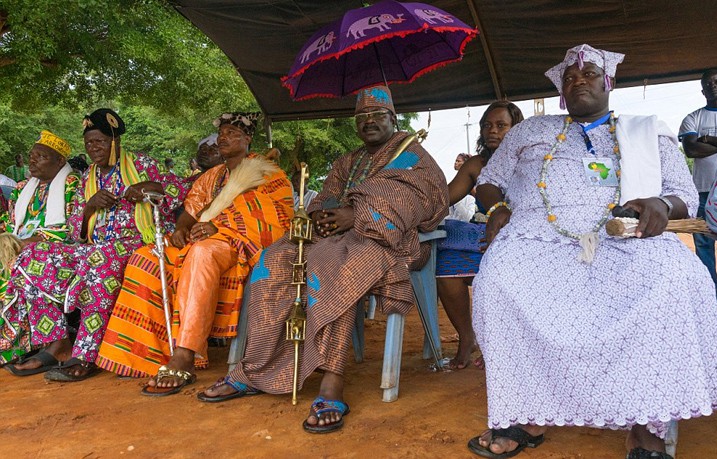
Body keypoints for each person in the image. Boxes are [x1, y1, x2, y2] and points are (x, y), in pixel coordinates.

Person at [468, 44, 717, 459]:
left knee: (676, 278)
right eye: (569, 77)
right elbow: (490, 180)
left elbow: (681, 195)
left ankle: (646, 426)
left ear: (609, 82)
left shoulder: (647, 129)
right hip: (537, 235)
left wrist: (661, 206)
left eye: (589, 73)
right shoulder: (528, 132)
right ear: (560, 91)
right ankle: (528, 411)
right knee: (498, 279)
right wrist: (497, 207)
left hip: (624, 233)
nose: (578, 80)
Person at [198, 85, 448, 434]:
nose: (369, 122)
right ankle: (255, 369)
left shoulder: (412, 156)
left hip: (381, 240)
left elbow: (414, 199)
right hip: (333, 235)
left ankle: (333, 378)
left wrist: (356, 215)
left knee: (333, 267)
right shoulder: (348, 160)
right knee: (272, 261)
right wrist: (322, 216)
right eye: (362, 118)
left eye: (378, 116)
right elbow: (325, 197)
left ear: (393, 119)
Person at [96, 112, 294, 395]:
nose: (224, 138)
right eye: (221, 133)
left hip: (238, 246)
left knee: (201, 253)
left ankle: (185, 354)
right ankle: (146, 353)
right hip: (199, 238)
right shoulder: (212, 176)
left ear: (248, 139)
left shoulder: (271, 174)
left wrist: (217, 226)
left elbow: (277, 219)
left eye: (232, 133)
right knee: (145, 256)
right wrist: (179, 230)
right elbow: (190, 212)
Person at [0, 109, 187, 381]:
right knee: (31, 256)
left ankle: (86, 353)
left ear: (115, 140)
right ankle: (58, 343)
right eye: (89, 143)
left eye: (100, 141)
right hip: (93, 247)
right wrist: (89, 207)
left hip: (134, 242)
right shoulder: (88, 176)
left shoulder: (143, 164)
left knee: (100, 261)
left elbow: (179, 193)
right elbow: (76, 230)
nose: (94, 148)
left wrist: (149, 187)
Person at [436, 101, 523, 370]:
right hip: (484, 235)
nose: (492, 131)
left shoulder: (531, 160)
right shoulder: (477, 164)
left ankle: (498, 344)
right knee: (444, 268)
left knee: (503, 266)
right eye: (487, 125)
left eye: (501, 126)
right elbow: (446, 197)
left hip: (522, 238)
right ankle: (467, 338)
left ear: (516, 129)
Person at [0, 130, 81, 366]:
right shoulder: (22, 187)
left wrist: (25, 242)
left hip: (55, 251)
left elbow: (72, 230)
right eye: (31, 155)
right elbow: (10, 223)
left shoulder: (71, 184)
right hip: (16, 244)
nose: (32, 160)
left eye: (41, 156)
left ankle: (14, 346)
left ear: (60, 161)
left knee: (14, 265)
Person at [679, 70, 717, 305]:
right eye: (708, 84)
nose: (713, 86)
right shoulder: (692, 118)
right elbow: (691, 150)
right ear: (702, 91)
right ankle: (712, 299)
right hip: (702, 192)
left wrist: (707, 139)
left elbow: (699, 144)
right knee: (704, 246)